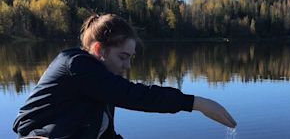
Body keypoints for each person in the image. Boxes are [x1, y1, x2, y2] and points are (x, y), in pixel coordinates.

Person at [13, 14, 236, 138]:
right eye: (122, 57)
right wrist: (196, 103)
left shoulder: (100, 82)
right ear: (100, 50)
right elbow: (135, 95)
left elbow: (105, 135)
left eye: (131, 58)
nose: (127, 66)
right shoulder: (77, 65)